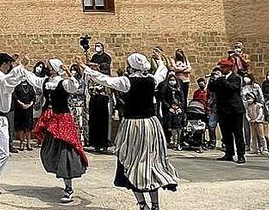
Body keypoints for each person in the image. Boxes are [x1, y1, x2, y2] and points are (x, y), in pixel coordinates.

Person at [81, 52, 178, 210]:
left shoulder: (127, 81)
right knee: (151, 163)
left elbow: (106, 80)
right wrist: (160, 60)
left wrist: (86, 69)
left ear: (130, 66)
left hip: (133, 126)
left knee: (131, 163)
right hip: (151, 125)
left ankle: (142, 204)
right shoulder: (151, 80)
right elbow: (162, 72)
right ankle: (155, 205)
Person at [0, 53, 45, 200]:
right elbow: (9, 81)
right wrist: (20, 65)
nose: (10, 67)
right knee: (2, 153)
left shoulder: (1, 76)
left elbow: (12, 81)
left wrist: (18, 66)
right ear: (4, 64)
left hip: (0, 117)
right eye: (9, 64)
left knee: (2, 153)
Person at [33, 59, 89, 204]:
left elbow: (74, 86)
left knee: (66, 151)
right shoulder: (46, 82)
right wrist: (19, 68)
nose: (49, 69)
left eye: (51, 67)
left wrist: (69, 73)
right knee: (50, 150)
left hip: (62, 119)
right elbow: (33, 79)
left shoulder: (63, 83)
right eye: (49, 67)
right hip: (49, 120)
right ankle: (60, 173)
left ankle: (69, 188)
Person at [207, 58, 246, 164]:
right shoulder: (219, 80)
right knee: (226, 133)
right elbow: (211, 89)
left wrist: (221, 80)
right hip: (223, 110)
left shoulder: (236, 78)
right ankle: (229, 153)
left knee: (238, 133)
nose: (221, 69)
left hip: (235, 110)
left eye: (223, 67)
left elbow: (232, 88)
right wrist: (211, 79)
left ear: (229, 68)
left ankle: (241, 154)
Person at [160, 74, 185, 150]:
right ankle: (168, 140)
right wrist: (169, 107)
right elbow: (163, 99)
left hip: (178, 109)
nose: (172, 82)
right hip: (169, 109)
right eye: (171, 80)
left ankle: (179, 142)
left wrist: (180, 107)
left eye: (173, 80)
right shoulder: (166, 88)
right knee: (168, 124)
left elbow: (182, 98)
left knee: (179, 126)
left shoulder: (179, 88)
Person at [12, 80, 35, 151]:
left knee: (29, 127)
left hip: (29, 109)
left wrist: (30, 104)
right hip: (20, 109)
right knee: (20, 127)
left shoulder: (30, 87)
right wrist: (21, 104)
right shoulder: (17, 87)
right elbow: (15, 96)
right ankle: (21, 143)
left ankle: (28, 143)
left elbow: (33, 97)